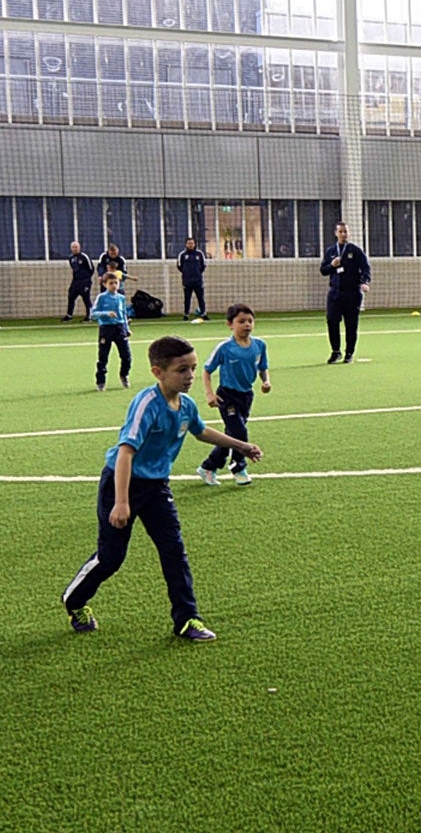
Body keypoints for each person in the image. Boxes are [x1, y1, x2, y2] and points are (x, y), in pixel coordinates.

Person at [61, 334, 262, 643]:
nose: (191, 376)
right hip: (122, 483)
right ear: (158, 372)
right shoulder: (146, 404)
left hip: (157, 487)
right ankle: (74, 601)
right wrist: (122, 503)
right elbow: (126, 452)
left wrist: (241, 445)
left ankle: (186, 618)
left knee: (174, 551)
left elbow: (201, 431)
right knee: (111, 558)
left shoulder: (186, 405)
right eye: (182, 370)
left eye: (193, 368)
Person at [198, 303, 270, 487]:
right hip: (227, 396)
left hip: (246, 396)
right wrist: (210, 394)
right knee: (240, 432)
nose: (247, 325)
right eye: (241, 321)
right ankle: (238, 467)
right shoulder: (224, 348)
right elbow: (206, 371)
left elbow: (263, 367)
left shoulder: (260, 345)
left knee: (231, 435)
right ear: (230, 324)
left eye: (250, 321)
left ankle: (208, 467)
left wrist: (265, 381)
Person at [319, 219, 371, 364]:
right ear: (336, 233)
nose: (343, 234)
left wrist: (364, 282)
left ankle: (349, 353)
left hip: (352, 293)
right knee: (331, 320)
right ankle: (336, 351)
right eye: (340, 231)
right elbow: (323, 270)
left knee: (351, 324)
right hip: (335, 293)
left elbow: (366, 268)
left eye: (345, 231)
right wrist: (332, 265)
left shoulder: (355, 251)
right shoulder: (330, 252)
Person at [91, 270, 132, 389]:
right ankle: (101, 382)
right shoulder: (102, 297)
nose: (114, 285)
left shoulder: (121, 298)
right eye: (111, 283)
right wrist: (106, 313)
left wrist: (127, 328)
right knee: (103, 357)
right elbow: (93, 314)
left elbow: (123, 314)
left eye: (116, 283)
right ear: (105, 284)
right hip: (106, 329)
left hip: (120, 328)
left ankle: (124, 375)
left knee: (126, 356)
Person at [176, 236, 208, 321]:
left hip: (198, 280)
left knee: (200, 298)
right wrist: (186, 273)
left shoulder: (199, 254)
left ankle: (203, 313)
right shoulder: (182, 254)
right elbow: (179, 266)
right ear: (186, 244)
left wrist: (197, 273)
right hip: (187, 281)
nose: (190, 245)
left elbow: (203, 266)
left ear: (194, 244)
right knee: (187, 298)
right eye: (189, 243)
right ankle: (186, 314)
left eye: (192, 243)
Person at [63, 240, 94, 322]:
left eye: (76, 247)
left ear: (79, 248)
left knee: (86, 298)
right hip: (75, 282)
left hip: (85, 281)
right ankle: (69, 315)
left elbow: (91, 269)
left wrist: (86, 279)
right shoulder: (71, 258)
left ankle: (89, 316)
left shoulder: (84, 257)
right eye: (73, 247)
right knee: (71, 297)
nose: (74, 249)